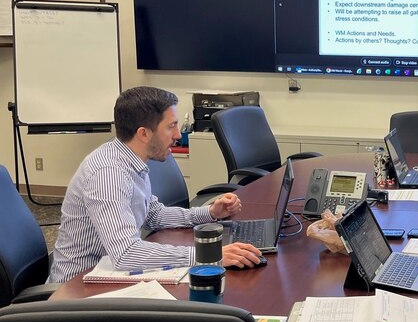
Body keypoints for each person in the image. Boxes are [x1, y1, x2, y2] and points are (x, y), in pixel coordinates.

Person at [48, 86, 262, 283]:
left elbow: (152, 214)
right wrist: (207, 255)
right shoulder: (108, 173)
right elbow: (126, 254)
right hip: (76, 291)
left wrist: (210, 213)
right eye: (171, 127)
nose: (178, 135)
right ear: (144, 133)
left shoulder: (131, 160)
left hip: (106, 275)